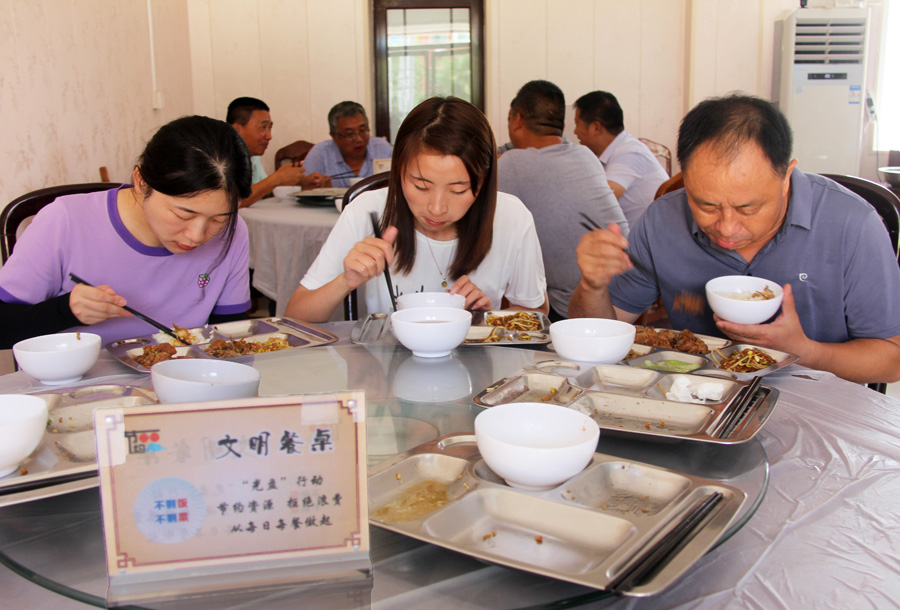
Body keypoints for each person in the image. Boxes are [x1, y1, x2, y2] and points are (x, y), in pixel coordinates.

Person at [569, 93, 900, 384]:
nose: (727, 228)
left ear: (786, 176)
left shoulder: (852, 224)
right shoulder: (663, 219)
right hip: (697, 396)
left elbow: (891, 359)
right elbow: (600, 332)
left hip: (820, 405)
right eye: (706, 205)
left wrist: (804, 350)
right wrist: (592, 286)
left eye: (748, 208)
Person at [285, 96, 549, 323]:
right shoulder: (368, 210)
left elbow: (537, 312)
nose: (436, 208)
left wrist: (487, 317)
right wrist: (346, 281)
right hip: (386, 366)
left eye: (458, 190)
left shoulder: (512, 217)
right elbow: (295, 316)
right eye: (421, 186)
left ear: (484, 181)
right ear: (399, 170)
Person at [0, 115, 255, 348]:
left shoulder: (233, 233)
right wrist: (65, 310)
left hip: (185, 378)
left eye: (219, 219)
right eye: (183, 215)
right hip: (78, 381)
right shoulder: (65, 220)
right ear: (141, 181)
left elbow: (230, 335)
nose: (197, 235)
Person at [498, 80, 627, 321]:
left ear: (517, 120)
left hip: (572, 308)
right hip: (623, 296)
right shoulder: (586, 155)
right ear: (563, 126)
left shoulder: (511, 163)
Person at [573, 91, 669, 229]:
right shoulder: (618, 150)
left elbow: (597, 203)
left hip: (647, 240)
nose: (575, 132)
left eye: (577, 124)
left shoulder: (630, 153)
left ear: (596, 127)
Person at [227, 97, 326, 207]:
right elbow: (229, 203)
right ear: (236, 129)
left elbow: (264, 192)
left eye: (269, 128)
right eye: (263, 127)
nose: (269, 136)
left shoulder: (253, 157)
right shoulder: (219, 158)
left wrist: (301, 184)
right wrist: (276, 179)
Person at [302, 101, 394, 188]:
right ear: (334, 136)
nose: (359, 139)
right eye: (350, 134)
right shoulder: (320, 152)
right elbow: (303, 186)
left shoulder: (383, 148)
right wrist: (316, 187)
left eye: (363, 131)